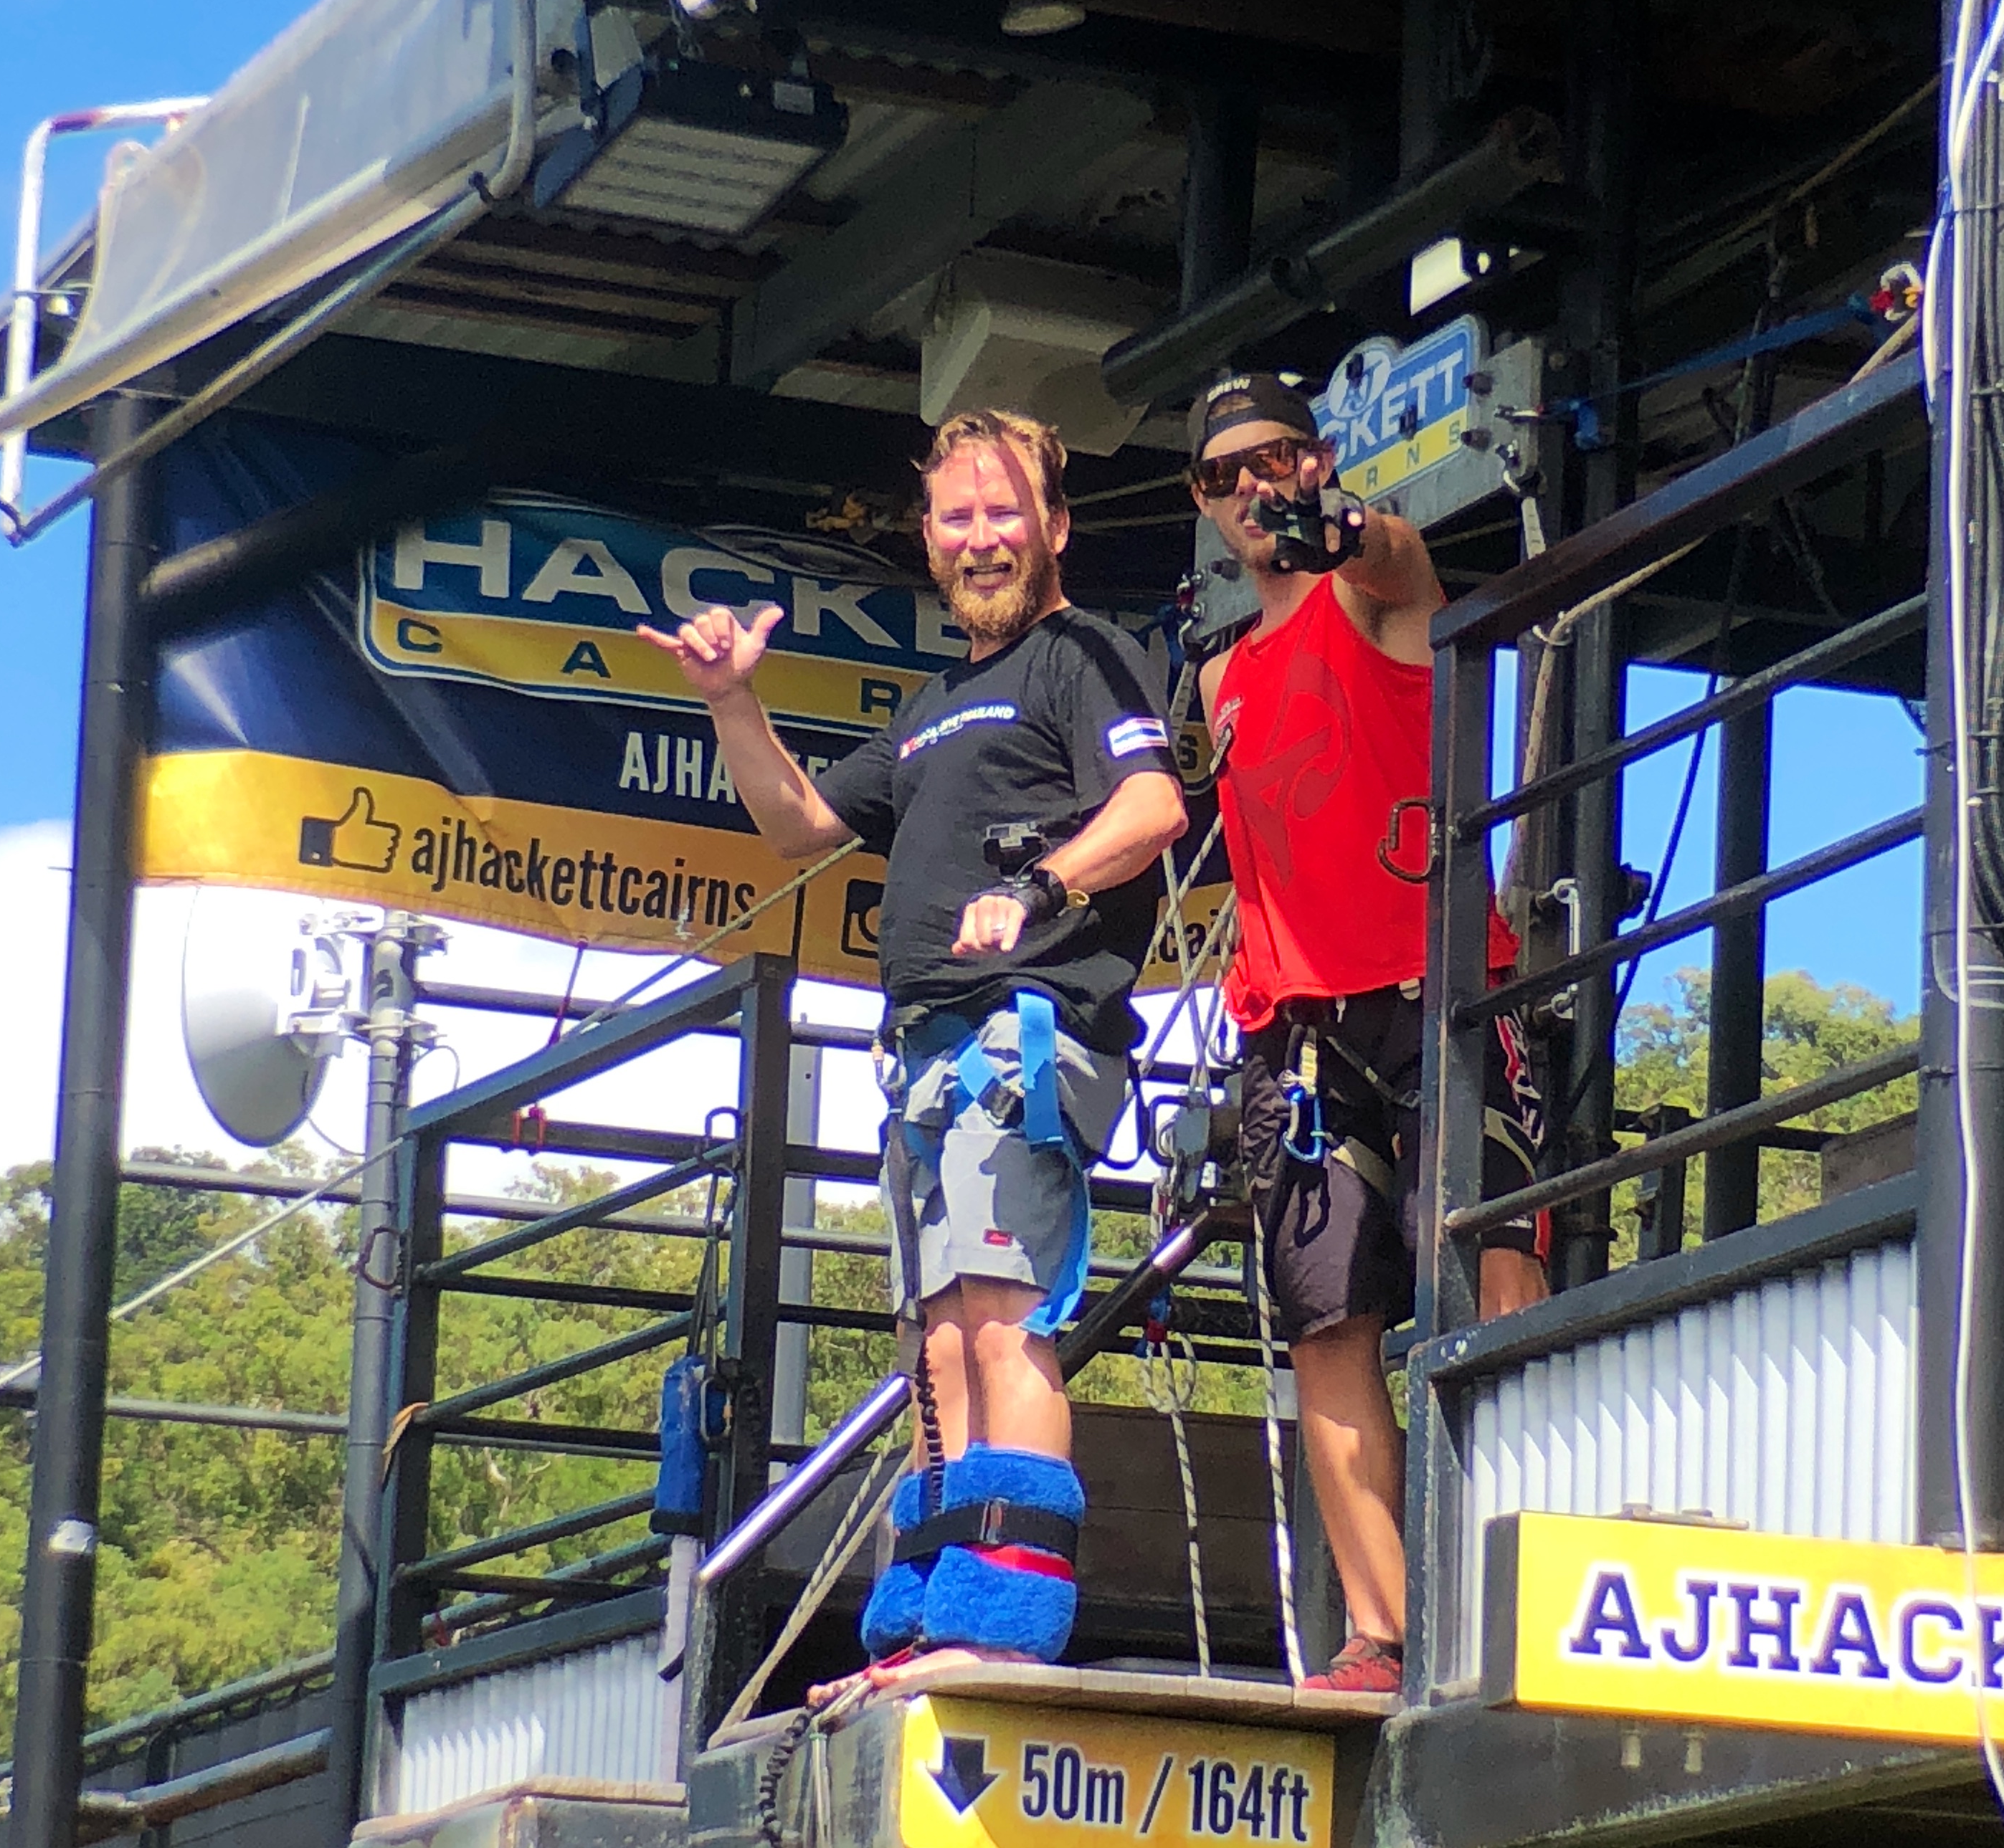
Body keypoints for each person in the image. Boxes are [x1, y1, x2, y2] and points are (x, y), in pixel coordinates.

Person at [639, 408, 1187, 1672]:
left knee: (1002, 1316)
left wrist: (1039, 889)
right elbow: (799, 823)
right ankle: (946, 1580)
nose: (982, 539)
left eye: (1005, 513)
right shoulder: (936, 706)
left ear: (1056, 527)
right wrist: (731, 700)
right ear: (930, 540)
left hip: (1019, 1038)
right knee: (937, 1336)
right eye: (958, 518)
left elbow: (1155, 804)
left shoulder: (1083, 656)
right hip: (930, 1055)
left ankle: (1014, 1601)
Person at [1190, 370, 1546, 1697]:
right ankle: (1382, 1631)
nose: (1252, 486)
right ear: (1200, 500)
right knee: (1327, 1323)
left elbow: (1398, 558)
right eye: (1223, 473)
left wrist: (1338, 525)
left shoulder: (1370, 591)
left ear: (1319, 455)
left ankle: (1520, 1582)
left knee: (1497, 1260)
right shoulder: (1221, 673)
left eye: (1275, 457)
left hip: (1437, 988)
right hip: (1297, 1028)